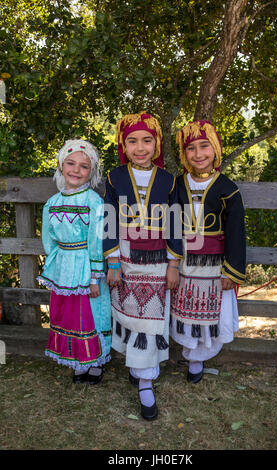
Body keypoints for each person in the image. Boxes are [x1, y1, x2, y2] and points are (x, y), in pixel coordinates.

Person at [103, 112, 182, 420]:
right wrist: (111, 261)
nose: (140, 148)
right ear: (123, 144)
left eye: (147, 141)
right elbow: (108, 220)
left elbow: (177, 224)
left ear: (157, 144)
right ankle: (139, 369)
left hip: (158, 261)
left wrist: (174, 264)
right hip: (124, 258)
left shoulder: (169, 181)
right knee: (130, 315)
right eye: (132, 141)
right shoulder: (114, 177)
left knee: (152, 319)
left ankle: (146, 382)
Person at [170, 120, 246, 383]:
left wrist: (231, 271)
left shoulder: (228, 189)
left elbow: (236, 234)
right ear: (184, 153)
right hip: (184, 265)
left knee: (211, 315)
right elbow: (168, 225)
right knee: (186, 313)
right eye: (191, 148)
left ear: (215, 149)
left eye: (204, 146)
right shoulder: (176, 186)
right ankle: (190, 354)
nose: (198, 154)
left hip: (215, 268)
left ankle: (198, 360)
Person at [38, 139, 111, 385]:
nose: (76, 170)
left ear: (92, 172)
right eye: (70, 164)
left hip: (86, 267)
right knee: (68, 314)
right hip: (64, 269)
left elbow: (97, 242)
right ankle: (78, 360)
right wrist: (57, 267)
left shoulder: (93, 202)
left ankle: (95, 362)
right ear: (60, 165)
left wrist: (93, 277)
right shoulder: (53, 203)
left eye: (83, 166)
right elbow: (49, 241)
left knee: (90, 313)